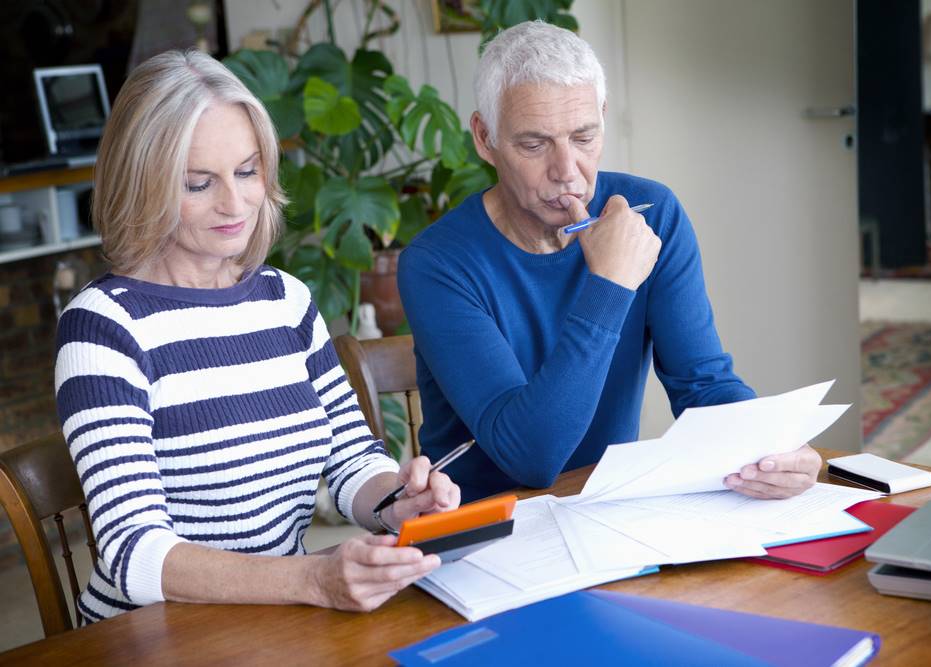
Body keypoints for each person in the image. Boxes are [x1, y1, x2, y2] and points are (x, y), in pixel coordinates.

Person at [54, 50, 459, 623]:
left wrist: (398, 499)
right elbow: (132, 552)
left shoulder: (285, 300)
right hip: (152, 639)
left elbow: (350, 461)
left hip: (278, 622)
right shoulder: (103, 327)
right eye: (199, 183)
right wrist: (313, 577)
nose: (236, 202)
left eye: (248, 171)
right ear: (142, 183)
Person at [398, 21, 821, 503]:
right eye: (534, 145)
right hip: (483, 528)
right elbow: (532, 458)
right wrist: (610, 283)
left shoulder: (651, 214)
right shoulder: (436, 263)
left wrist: (772, 449)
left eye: (583, 137)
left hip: (607, 508)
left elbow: (702, 383)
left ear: (602, 116)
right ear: (484, 137)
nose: (567, 171)